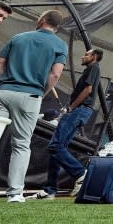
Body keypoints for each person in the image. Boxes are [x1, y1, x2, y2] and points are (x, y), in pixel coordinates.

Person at [0, 10, 68, 204]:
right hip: (30, 96)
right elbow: (56, 75)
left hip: (2, 93)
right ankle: (15, 194)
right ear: (57, 26)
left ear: (41, 19)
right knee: (21, 145)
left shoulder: (18, 37)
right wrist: (42, 93)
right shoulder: (60, 45)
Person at [30, 48, 103, 200]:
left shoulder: (93, 67)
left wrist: (71, 107)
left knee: (55, 146)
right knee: (58, 149)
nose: (83, 56)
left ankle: (81, 174)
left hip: (79, 110)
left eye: (86, 54)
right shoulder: (91, 69)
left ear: (94, 57)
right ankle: (50, 190)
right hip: (79, 111)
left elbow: (88, 90)